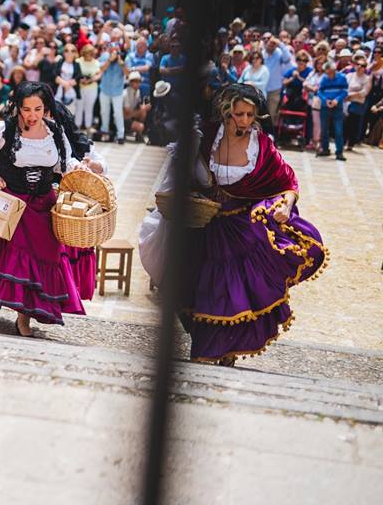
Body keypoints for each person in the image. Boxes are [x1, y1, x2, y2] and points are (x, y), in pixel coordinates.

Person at [139, 84, 326, 366]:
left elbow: (288, 182)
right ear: (227, 112)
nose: (247, 121)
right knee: (200, 290)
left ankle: (227, 350)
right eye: (240, 114)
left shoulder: (261, 146)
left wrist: (286, 205)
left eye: (251, 115)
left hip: (242, 227)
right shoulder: (207, 137)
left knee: (237, 291)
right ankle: (206, 348)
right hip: (205, 225)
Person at [0, 82, 95, 336]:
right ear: (18, 108)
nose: (32, 115)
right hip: (13, 204)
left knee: (45, 257)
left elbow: (66, 162)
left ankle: (24, 316)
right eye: (27, 109)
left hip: (44, 205)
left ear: (46, 108)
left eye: (38, 109)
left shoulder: (55, 131)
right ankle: (11, 308)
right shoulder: (2, 130)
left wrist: (80, 167)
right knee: (10, 256)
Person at [317, 61, 348, 160]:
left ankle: (339, 152)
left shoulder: (342, 77)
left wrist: (336, 100)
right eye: (327, 72)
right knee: (324, 129)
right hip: (325, 107)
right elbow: (320, 91)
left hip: (337, 107)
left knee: (338, 130)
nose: (328, 74)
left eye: (330, 72)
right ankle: (325, 149)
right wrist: (325, 100)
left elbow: (345, 91)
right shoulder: (324, 78)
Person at [75, 44, 101, 131]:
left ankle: (88, 129)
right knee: (79, 108)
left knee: (89, 109)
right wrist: (80, 80)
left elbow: (98, 75)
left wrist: (90, 81)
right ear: (84, 53)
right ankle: (77, 128)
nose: (90, 55)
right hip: (80, 88)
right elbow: (75, 73)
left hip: (92, 88)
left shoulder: (96, 62)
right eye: (88, 53)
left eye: (91, 53)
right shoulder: (78, 61)